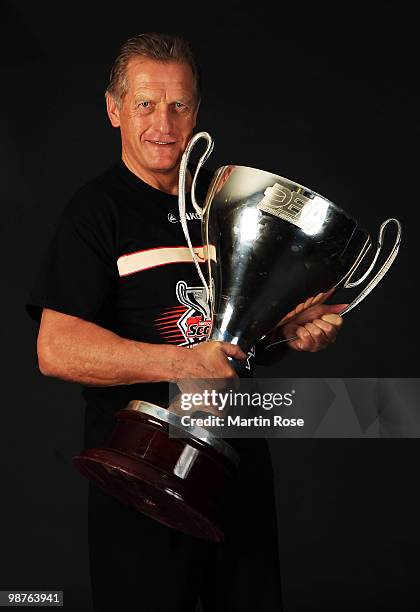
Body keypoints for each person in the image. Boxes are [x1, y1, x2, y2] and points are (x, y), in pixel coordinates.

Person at [26, 32, 345, 612]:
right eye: (145, 104)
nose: (163, 123)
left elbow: (239, 340)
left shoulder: (230, 202)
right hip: (141, 472)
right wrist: (182, 363)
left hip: (235, 469)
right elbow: (57, 349)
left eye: (179, 105)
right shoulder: (95, 213)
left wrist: (290, 330)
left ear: (198, 110)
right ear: (114, 109)